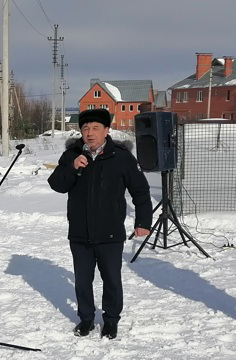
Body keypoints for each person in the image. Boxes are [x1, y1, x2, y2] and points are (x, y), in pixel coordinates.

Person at [47, 108, 152, 339]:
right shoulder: (72, 156)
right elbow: (56, 184)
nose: (90, 133)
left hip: (110, 233)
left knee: (112, 280)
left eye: (95, 128)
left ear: (106, 130)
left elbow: (141, 192)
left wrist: (143, 221)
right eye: (85, 128)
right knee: (83, 281)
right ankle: (86, 319)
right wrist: (73, 168)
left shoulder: (122, 157)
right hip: (80, 233)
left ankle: (111, 320)